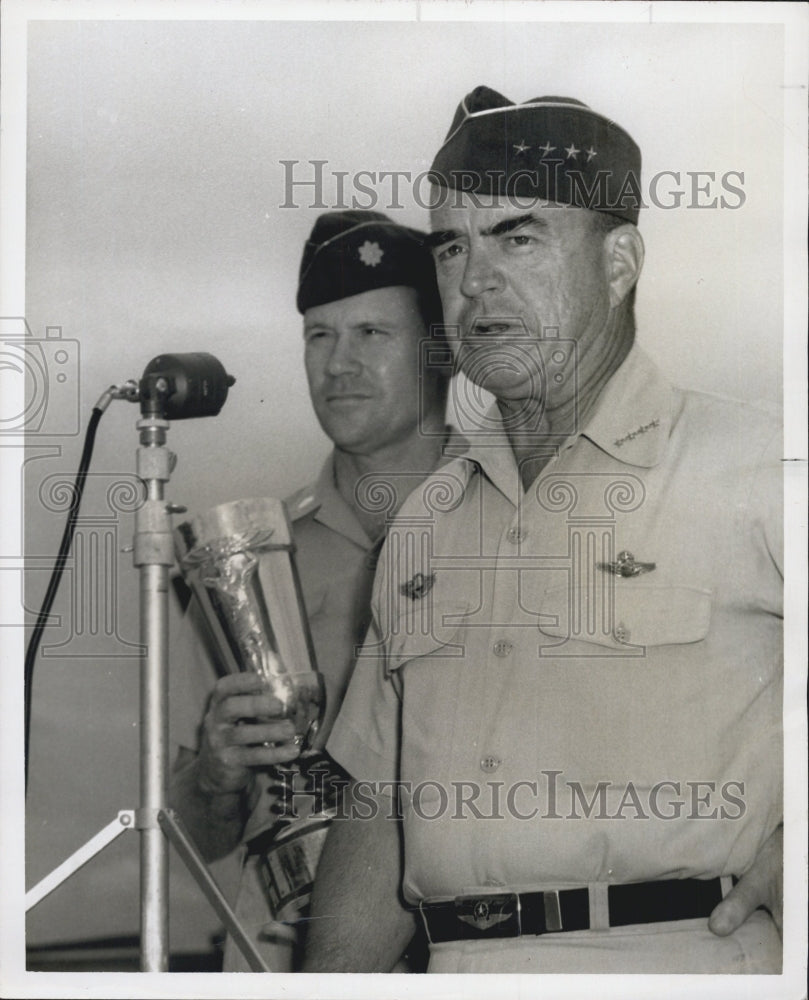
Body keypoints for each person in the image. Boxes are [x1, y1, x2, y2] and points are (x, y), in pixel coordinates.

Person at [303, 88, 783, 974]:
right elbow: (377, 812)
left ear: (619, 261)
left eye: (518, 237)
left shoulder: (759, 469)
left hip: (675, 957)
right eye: (452, 246)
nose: (474, 279)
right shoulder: (428, 520)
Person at [168, 209, 449, 971]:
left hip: (472, 950)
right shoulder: (244, 560)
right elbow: (191, 836)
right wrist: (218, 774)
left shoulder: (522, 532)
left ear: (443, 347)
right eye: (319, 337)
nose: (337, 364)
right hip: (283, 954)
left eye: (370, 334)